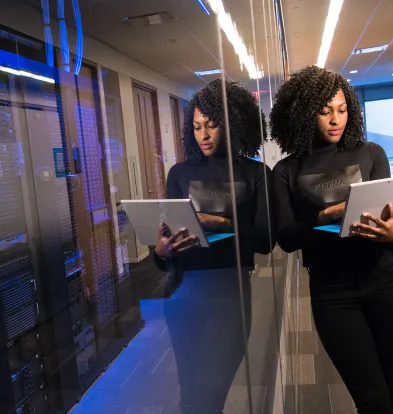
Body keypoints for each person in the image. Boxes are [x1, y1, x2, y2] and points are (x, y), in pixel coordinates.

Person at [269, 66, 393, 414]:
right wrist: (324, 216)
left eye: (342, 109)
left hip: (385, 282)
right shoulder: (286, 171)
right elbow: (287, 239)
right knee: (371, 398)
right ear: (304, 113)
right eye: (324, 110)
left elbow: (390, 233)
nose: (336, 119)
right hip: (332, 294)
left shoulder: (371, 153)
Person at [153, 79, 272, 412]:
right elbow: (169, 244)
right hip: (182, 292)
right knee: (190, 396)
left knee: (208, 394)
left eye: (211, 125)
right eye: (196, 127)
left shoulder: (255, 173)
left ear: (232, 125)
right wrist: (161, 250)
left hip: (229, 294)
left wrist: (225, 225)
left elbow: (266, 240)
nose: (203, 135)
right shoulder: (178, 173)